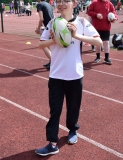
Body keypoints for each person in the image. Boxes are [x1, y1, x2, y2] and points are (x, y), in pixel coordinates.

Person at [35, 0, 102, 156]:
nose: (61, 4)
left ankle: (72, 130)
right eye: (59, 1)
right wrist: (54, 39)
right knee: (55, 110)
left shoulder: (81, 22)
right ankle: (52, 143)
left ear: (74, 3)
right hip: (56, 75)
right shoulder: (52, 22)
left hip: (74, 74)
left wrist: (76, 35)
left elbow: (98, 42)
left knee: (73, 107)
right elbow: (40, 44)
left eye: (66, 1)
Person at [88, 0, 118, 64]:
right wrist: (96, 14)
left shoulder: (109, 3)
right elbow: (89, 12)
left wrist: (115, 18)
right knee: (98, 43)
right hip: (96, 28)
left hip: (106, 27)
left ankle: (106, 58)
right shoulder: (94, 2)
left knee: (106, 43)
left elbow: (114, 13)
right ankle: (98, 57)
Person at [35, 0, 54, 70]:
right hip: (52, 25)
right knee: (48, 45)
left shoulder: (39, 4)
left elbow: (41, 19)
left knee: (42, 44)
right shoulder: (48, 4)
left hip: (48, 27)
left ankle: (53, 62)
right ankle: (51, 62)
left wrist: (38, 28)